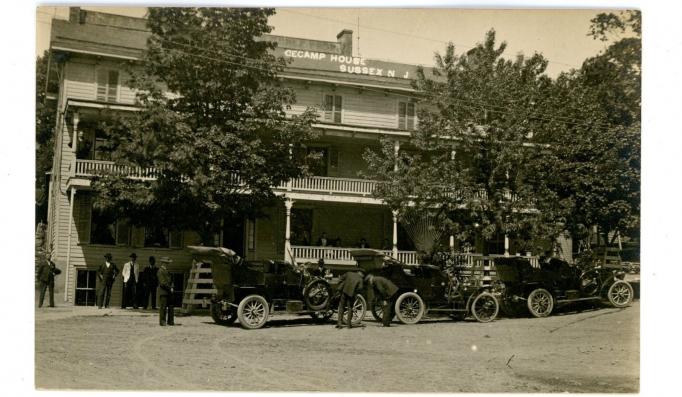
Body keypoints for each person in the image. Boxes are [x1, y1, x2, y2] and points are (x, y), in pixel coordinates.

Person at [157, 260, 175, 326]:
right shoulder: (160, 271)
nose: (168, 264)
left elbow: (172, 280)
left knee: (171, 307)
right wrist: (170, 288)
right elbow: (162, 283)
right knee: (163, 307)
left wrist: (172, 287)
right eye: (167, 263)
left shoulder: (168, 271)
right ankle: (162, 321)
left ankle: (170, 321)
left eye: (168, 263)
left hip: (169, 292)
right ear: (163, 263)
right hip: (163, 292)